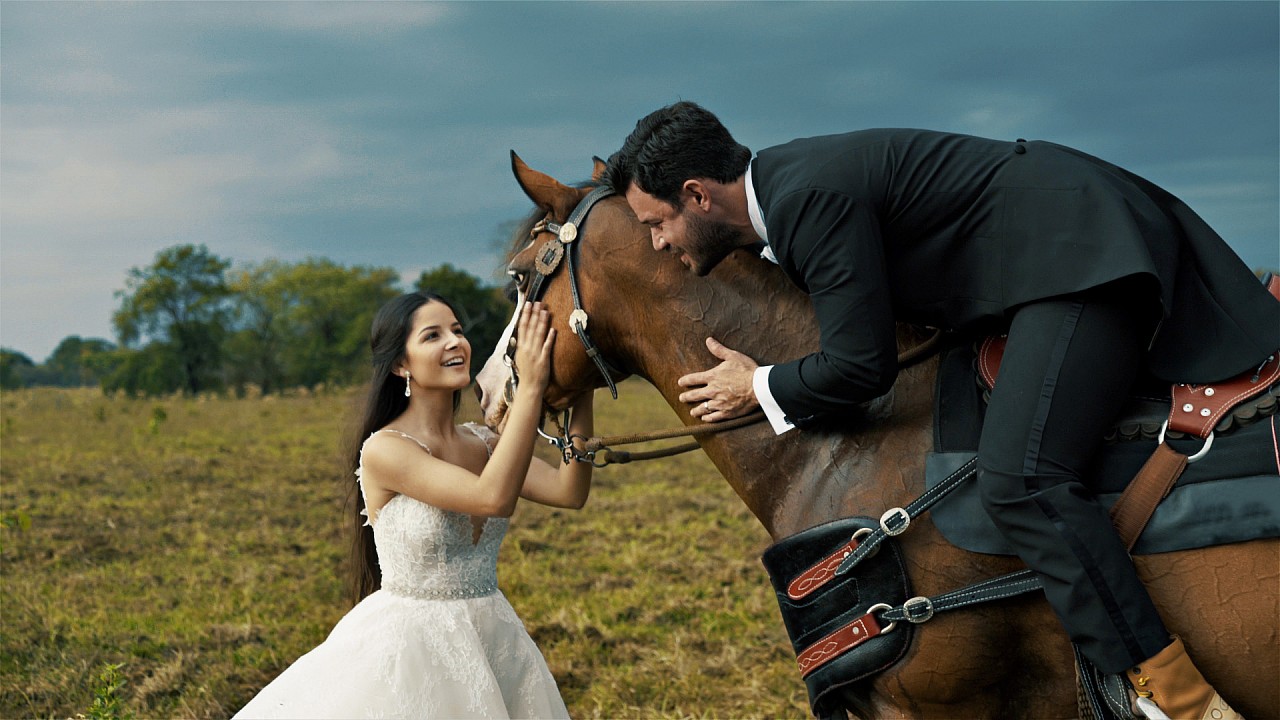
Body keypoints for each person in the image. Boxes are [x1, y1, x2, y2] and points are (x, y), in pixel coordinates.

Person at [603, 101, 1278, 720]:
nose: (658, 243)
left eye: (656, 224)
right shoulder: (790, 193)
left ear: (697, 195)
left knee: (1022, 478)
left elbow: (860, 367)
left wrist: (759, 387)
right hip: (1046, 262)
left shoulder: (802, 199)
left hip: (1077, 258)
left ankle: (1177, 698)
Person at [235, 292, 594, 719]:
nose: (454, 343)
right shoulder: (386, 451)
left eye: (458, 331)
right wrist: (531, 387)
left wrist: (581, 389)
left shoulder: (483, 442)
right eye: (433, 335)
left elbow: (569, 491)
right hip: (412, 651)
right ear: (400, 365)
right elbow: (492, 498)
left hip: (494, 637)